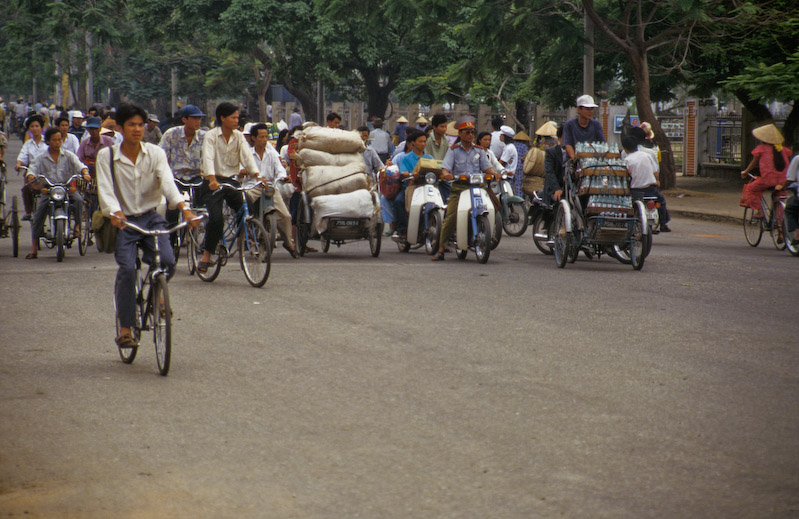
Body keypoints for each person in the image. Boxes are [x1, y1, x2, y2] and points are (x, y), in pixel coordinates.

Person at [96, 103, 198, 350]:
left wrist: (184, 208)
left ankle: (157, 296)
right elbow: (105, 189)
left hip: (152, 216)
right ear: (120, 128)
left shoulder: (155, 153)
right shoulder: (107, 156)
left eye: (140, 124)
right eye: (131, 124)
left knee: (168, 262)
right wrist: (115, 212)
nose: (137, 129)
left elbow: (167, 183)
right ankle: (125, 328)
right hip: (124, 222)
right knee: (128, 271)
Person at [197, 102, 261, 272]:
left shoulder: (239, 136)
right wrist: (211, 178)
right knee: (217, 219)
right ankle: (207, 254)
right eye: (233, 117)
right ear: (222, 118)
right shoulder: (211, 136)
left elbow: (247, 157)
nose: (236, 120)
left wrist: (257, 174)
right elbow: (208, 158)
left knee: (246, 204)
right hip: (213, 182)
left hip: (230, 181)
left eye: (237, 117)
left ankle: (246, 238)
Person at [432, 116, 496, 261]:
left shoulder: (479, 151)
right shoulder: (453, 150)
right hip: (458, 189)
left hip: (477, 187)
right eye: (467, 132)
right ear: (460, 134)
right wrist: (446, 174)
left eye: (472, 132)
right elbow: (445, 168)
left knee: (494, 207)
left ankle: (490, 235)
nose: (471, 135)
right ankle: (441, 249)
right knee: (451, 216)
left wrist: (495, 174)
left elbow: (488, 168)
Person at [24, 127, 91, 259]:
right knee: (38, 214)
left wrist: (85, 173)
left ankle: (77, 226)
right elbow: (32, 169)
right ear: (48, 141)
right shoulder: (41, 157)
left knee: (78, 200)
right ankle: (34, 248)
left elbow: (80, 165)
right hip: (49, 190)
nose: (57, 143)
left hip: (66, 187)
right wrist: (31, 176)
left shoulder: (68, 155)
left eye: (59, 140)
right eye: (54, 140)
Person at [247, 123, 299, 258]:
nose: (264, 140)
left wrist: (283, 177)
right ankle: (247, 233)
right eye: (261, 137)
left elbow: (279, 169)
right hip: (252, 187)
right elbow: (240, 170)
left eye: (266, 137)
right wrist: (242, 173)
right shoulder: (247, 154)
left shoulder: (272, 154)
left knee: (286, 216)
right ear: (253, 138)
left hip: (270, 188)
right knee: (245, 210)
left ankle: (288, 242)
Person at [159, 104, 207, 238]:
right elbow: (161, 157)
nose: (198, 121)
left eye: (199, 119)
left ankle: (203, 241)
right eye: (194, 118)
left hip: (197, 176)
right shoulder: (171, 134)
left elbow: (210, 156)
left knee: (204, 207)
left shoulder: (204, 136)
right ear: (184, 119)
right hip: (176, 177)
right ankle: (171, 242)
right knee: (173, 209)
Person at [740, 123, 791, 219]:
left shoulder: (761, 149)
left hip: (767, 180)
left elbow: (753, 163)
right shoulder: (783, 149)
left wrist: (746, 172)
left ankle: (760, 212)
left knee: (751, 189)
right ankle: (781, 230)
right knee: (779, 203)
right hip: (784, 182)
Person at [622, 135, 671, 232]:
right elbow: (655, 172)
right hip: (651, 189)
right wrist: (657, 181)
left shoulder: (627, 160)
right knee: (661, 202)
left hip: (635, 191)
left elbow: (627, 175)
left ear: (625, 149)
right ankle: (663, 223)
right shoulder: (647, 155)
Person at [392, 129, 433, 239]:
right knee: (398, 202)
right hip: (410, 187)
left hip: (427, 187)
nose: (423, 144)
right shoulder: (405, 158)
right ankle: (402, 229)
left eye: (424, 141)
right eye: (420, 141)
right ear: (413, 143)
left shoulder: (429, 158)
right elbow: (403, 172)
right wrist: (408, 174)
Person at [16, 115, 48, 220]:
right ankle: (28, 212)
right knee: (26, 189)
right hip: (32, 173)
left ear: (41, 127)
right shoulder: (28, 144)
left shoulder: (47, 142)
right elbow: (22, 156)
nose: (35, 128)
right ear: (29, 129)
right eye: (32, 126)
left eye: (37, 126)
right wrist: (19, 164)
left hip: (46, 171)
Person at [562, 94, 605, 160]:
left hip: (592, 161)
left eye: (592, 109)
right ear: (579, 110)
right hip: (573, 161)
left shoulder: (596, 125)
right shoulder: (569, 124)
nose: (590, 112)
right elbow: (568, 145)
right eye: (587, 109)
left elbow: (603, 144)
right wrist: (574, 159)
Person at [778, 154, 799, 245]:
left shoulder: (797, 159)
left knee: (789, 209)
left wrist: (782, 187)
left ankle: (798, 235)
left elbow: (790, 179)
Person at [510, 131, 531, 196]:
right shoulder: (524, 146)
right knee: (518, 184)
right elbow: (525, 157)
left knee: (510, 183)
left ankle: (509, 196)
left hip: (511, 166)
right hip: (519, 166)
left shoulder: (512, 145)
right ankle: (519, 198)